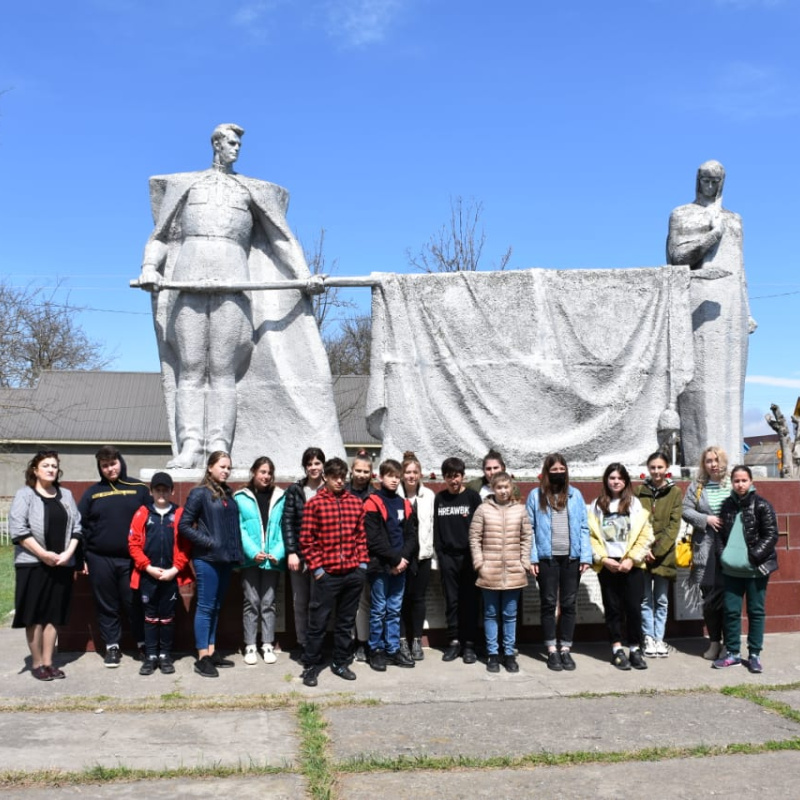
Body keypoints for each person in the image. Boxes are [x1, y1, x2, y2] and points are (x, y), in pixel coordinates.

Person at [138, 123, 343, 470]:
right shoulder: (186, 186)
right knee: (189, 369)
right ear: (216, 144)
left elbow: (280, 238)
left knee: (222, 370)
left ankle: (219, 449)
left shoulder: (248, 190)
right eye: (231, 143)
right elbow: (159, 237)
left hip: (234, 285)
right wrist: (149, 267)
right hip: (187, 284)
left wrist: (303, 276)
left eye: (239, 144)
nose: (237, 149)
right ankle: (190, 446)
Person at [667, 160, 752, 467]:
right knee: (699, 386)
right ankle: (700, 461)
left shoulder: (735, 219)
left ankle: (732, 462)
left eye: (716, 180)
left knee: (730, 389)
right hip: (699, 300)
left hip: (732, 307)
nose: (710, 184)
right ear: (697, 180)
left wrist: (748, 309)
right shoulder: (682, 214)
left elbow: (740, 268)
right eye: (705, 179)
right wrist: (708, 238)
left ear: (723, 182)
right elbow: (675, 258)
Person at [10, 451, 82, 681]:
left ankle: (50, 663)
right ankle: (37, 663)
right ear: (35, 469)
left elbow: (77, 528)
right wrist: (43, 555)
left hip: (61, 563)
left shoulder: (66, 495)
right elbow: (19, 530)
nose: (50, 469)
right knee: (34, 616)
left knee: (54, 615)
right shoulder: (25, 495)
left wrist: (67, 553)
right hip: (32, 564)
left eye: (54, 466)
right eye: (45, 465)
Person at [298, 457, 369, 687]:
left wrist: (362, 566)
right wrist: (318, 570)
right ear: (325, 477)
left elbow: (360, 537)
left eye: (342, 477)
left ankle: (340, 662)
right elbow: (306, 540)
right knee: (318, 622)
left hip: (352, 573)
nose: (339, 481)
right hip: (326, 574)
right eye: (334, 477)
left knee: (345, 622)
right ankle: (310, 666)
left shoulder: (355, 503)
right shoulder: (315, 504)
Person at [78, 445, 150, 667]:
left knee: (133, 603)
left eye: (113, 463)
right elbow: (81, 527)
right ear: (100, 468)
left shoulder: (139, 489)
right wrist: (82, 558)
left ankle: (142, 644)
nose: (110, 469)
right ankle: (112, 647)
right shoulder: (92, 493)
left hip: (132, 559)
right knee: (106, 605)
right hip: (100, 559)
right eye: (105, 465)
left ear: (121, 462)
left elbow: (151, 521)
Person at [178, 451, 243, 677]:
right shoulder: (199, 493)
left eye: (228, 468)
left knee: (216, 606)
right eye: (222, 466)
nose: (225, 471)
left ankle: (213, 651)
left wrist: (235, 553)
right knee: (205, 607)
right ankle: (202, 656)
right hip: (207, 559)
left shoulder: (227, 493)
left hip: (225, 559)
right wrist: (209, 542)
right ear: (210, 468)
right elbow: (184, 525)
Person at [526, 453, 591, 672]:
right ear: (546, 472)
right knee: (548, 602)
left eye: (561, 470)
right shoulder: (536, 496)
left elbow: (584, 527)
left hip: (571, 558)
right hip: (547, 558)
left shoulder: (576, 495)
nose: (558, 474)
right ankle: (551, 649)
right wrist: (533, 557)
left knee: (568, 603)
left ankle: (565, 648)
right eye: (553, 471)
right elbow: (530, 530)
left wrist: (585, 556)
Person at [712, 465, 779, 673]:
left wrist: (753, 557)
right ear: (732, 483)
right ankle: (732, 653)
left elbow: (771, 535)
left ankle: (754, 655)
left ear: (751, 482)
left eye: (743, 480)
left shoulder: (762, 506)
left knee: (756, 612)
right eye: (736, 481)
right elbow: (719, 535)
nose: (740, 484)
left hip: (756, 570)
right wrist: (723, 556)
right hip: (732, 570)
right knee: (731, 612)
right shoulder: (726, 506)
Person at [589, 463, 654, 671]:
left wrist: (632, 559)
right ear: (606, 480)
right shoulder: (596, 505)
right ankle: (617, 649)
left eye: (619, 478)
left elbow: (646, 535)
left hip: (631, 565)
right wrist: (602, 559)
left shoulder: (635, 505)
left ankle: (635, 649)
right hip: (609, 565)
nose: (615, 481)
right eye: (611, 478)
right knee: (613, 609)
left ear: (625, 481)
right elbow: (589, 536)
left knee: (634, 609)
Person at [128, 472, 191, 676]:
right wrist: (147, 567)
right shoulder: (142, 513)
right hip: (149, 575)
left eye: (165, 489)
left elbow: (185, 545)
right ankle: (151, 655)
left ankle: (165, 655)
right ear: (151, 492)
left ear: (172, 491)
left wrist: (175, 569)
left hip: (170, 575)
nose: (161, 493)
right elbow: (134, 544)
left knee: (167, 618)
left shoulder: (179, 513)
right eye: (158, 489)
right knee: (150, 617)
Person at [470, 472, 531, 673]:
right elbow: (475, 538)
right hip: (490, 571)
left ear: (511, 488)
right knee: (490, 614)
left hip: (514, 572)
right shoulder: (483, 509)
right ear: (493, 489)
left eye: (506, 487)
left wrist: (524, 562)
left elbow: (526, 537)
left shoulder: (520, 510)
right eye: (499, 487)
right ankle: (493, 654)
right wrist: (480, 563)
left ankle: (509, 653)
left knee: (510, 615)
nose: (503, 491)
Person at [364, 459, 418, 671]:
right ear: (380, 477)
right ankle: (375, 650)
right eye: (390, 475)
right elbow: (373, 538)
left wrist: (403, 559)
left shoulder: (404, 503)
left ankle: (393, 649)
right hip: (380, 566)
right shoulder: (372, 502)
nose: (394, 480)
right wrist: (395, 560)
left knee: (394, 610)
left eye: (397, 476)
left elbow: (411, 535)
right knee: (378, 610)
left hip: (400, 567)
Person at [235, 456, 286, 666]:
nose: (266, 476)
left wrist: (278, 552)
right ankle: (249, 645)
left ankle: (267, 643)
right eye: (262, 472)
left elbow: (285, 528)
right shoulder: (241, 497)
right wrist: (252, 551)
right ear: (254, 472)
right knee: (251, 602)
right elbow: (240, 529)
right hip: (251, 560)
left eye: (269, 472)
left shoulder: (280, 497)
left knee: (268, 603)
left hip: (272, 560)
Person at [681, 446, 730, 661]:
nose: (713, 464)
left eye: (716, 459)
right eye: (709, 460)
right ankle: (714, 643)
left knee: (731, 599)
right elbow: (685, 509)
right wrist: (706, 519)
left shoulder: (732, 482)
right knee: (709, 598)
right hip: (706, 549)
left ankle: (730, 644)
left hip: (731, 547)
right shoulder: (698, 486)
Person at [434, 456, 483, 664]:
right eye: (449, 477)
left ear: (462, 476)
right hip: (448, 558)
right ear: (444, 478)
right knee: (452, 602)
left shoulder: (472, 497)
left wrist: (477, 556)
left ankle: (470, 644)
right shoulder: (440, 498)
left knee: (470, 601)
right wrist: (441, 556)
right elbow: (436, 529)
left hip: (469, 558)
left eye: (456, 476)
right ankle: (454, 641)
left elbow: (481, 528)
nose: (453, 481)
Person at [635, 451, 683, 658]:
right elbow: (635, 521)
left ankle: (659, 638)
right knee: (645, 599)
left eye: (660, 467)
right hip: (642, 554)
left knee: (661, 599)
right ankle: (648, 637)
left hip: (664, 555)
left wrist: (657, 550)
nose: (656, 471)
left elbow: (674, 525)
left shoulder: (675, 493)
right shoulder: (639, 491)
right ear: (648, 469)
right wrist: (644, 549)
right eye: (653, 467)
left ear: (667, 468)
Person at [281, 447, 325, 657]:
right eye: (309, 464)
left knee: (320, 602)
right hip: (299, 555)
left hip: (324, 557)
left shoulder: (329, 488)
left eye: (317, 463)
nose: (313, 467)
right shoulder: (295, 490)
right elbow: (288, 521)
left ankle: (319, 643)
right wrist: (291, 551)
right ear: (305, 467)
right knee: (300, 601)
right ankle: (303, 642)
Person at [399, 450, 436, 661]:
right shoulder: (396, 495)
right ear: (402, 474)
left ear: (420, 474)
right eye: (408, 472)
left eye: (415, 472)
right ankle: (403, 640)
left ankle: (416, 640)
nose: (411, 476)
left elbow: (433, 526)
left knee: (418, 599)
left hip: (422, 556)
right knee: (402, 599)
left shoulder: (429, 495)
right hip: (402, 558)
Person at [345, 450, 376, 662]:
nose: (362, 474)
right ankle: (346, 643)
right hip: (343, 556)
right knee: (345, 604)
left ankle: (363, 643)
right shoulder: (343, 493)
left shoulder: (374, 496)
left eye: (366, 471)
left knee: (364, 602)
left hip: (366, 557)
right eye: (358, 470)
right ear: (351, 471)